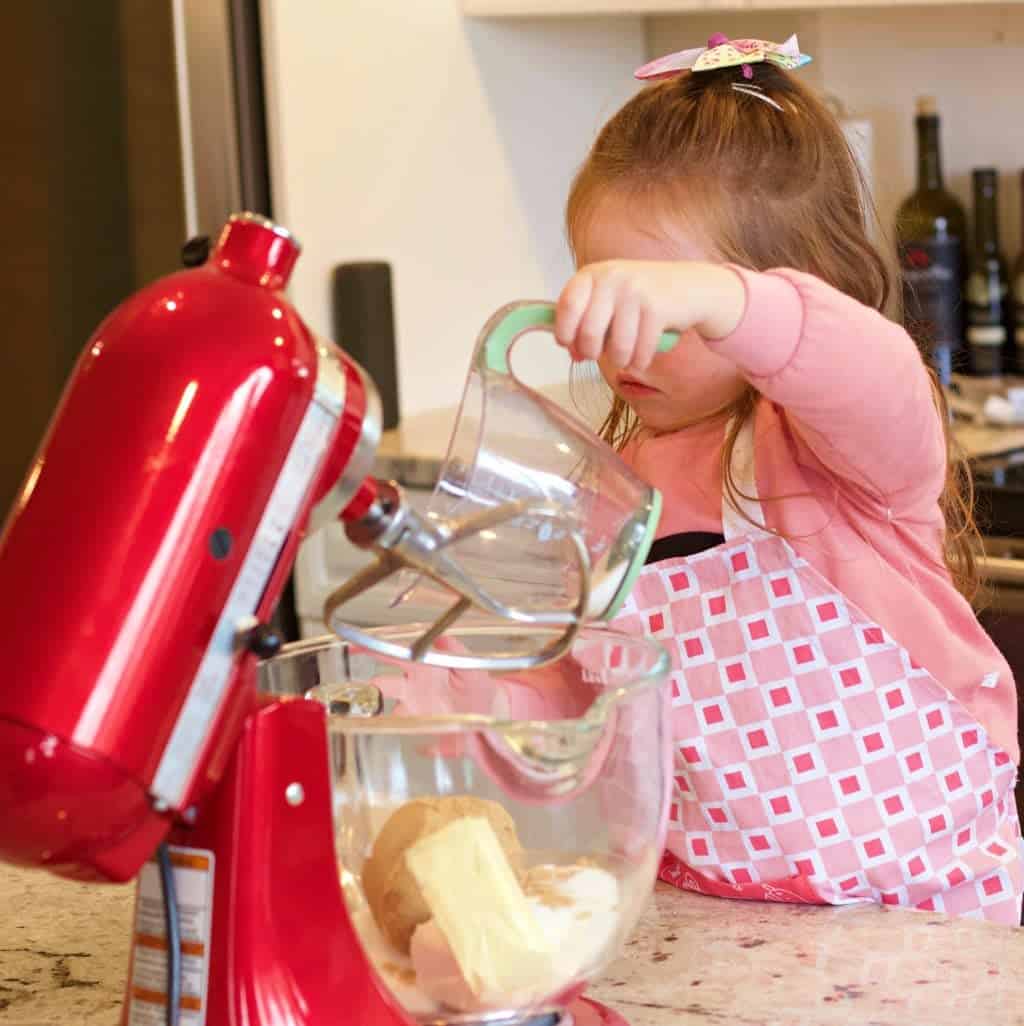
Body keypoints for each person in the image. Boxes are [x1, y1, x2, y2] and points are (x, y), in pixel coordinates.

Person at [552, 34, 1023, 925]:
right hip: (716, 917)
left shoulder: (834, 448)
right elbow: (582, 692)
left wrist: (727, 301)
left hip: (926, 913)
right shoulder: (611, 486)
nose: (631, 345)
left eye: (676, 313)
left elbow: (873, 367)